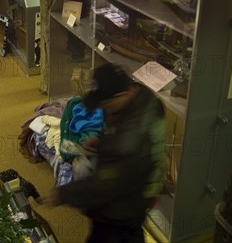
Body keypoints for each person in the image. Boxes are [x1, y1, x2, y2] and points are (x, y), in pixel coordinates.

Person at [41, 63, 166, 243]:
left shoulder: (127, 146)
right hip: (135, 192)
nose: (104, 108)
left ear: (122, 95)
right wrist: (102, 141)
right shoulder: (144, 98)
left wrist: (62, 194)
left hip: (122, 208)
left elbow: (104, 185)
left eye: (106, 103)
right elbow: (123, 130)